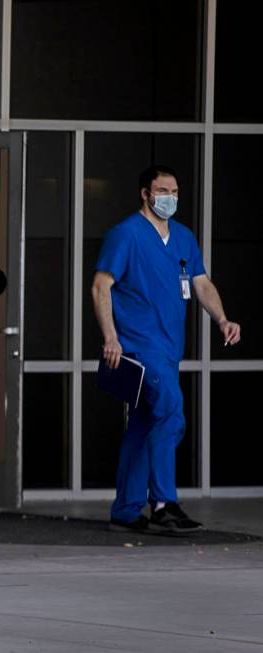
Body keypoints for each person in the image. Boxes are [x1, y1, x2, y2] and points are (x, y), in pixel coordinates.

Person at [91, 165, 241, 533]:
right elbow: (100, 286)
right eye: (162, 191)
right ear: (145, 193)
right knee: (171, 416)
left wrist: (222, 319)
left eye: (174, 191)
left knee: (144, 425)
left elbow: (201, 284)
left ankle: (125, 511)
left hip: (170, 349)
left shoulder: (184, 238)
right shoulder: (125, 235)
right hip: (142, 348)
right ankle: (162, 503)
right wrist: (111, 337)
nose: (169, 198)